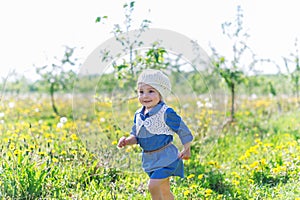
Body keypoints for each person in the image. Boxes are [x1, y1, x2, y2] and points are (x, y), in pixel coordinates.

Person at [117, 69, 193, 200]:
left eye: (151, 91)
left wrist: (187, 149)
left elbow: (183, 130)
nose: (145, 96)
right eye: (141, 92)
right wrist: (127, 141)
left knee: (153, 186)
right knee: (164, 191)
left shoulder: (166, 112)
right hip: (150, 159)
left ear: (160, 93)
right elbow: (136, 136)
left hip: (166, 157)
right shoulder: (138, 115)